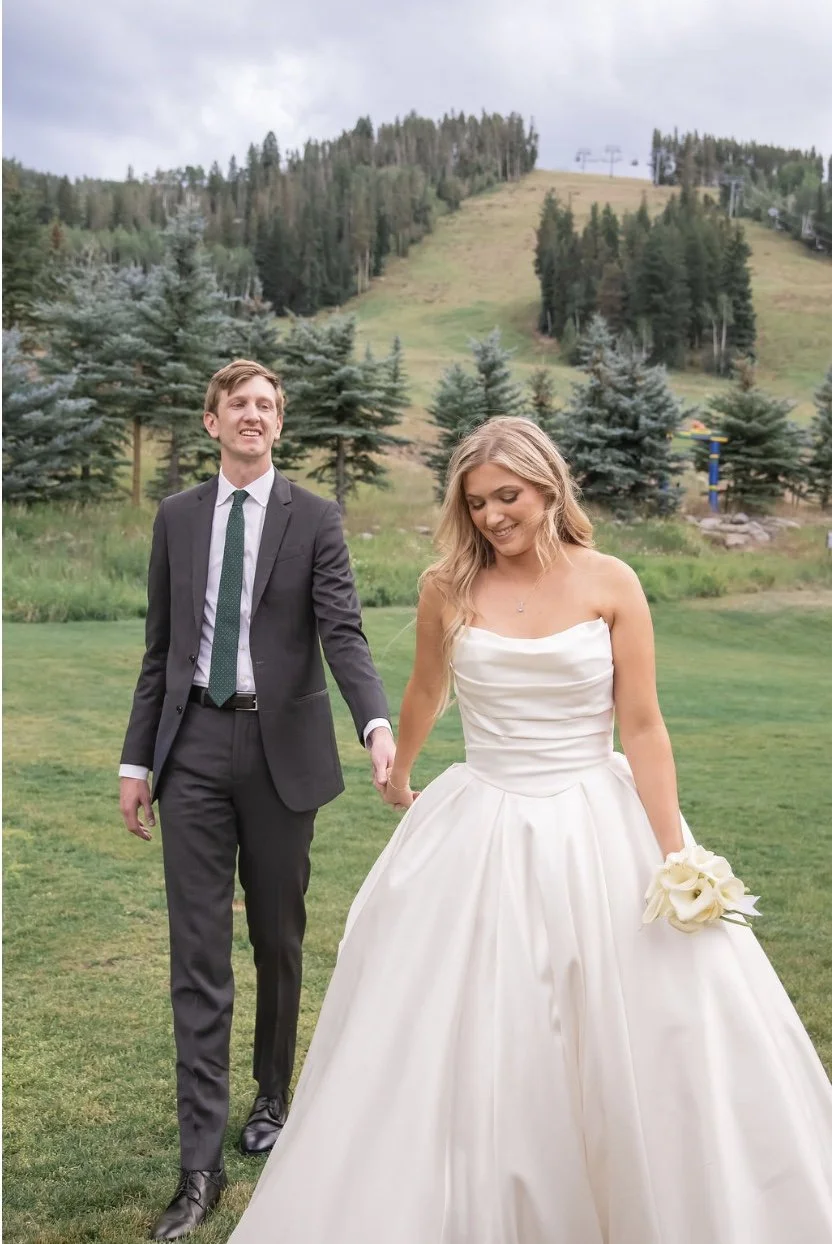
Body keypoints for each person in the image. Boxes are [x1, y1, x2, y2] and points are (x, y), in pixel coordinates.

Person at [228, 415, 832, 1244]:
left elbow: (645, 727)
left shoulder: (611, 582)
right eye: (476, 503)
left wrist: (675, 852)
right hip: (484, 820)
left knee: (641, 1026)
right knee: (468, 1022)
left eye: (506, 496)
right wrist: (400, 767)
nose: (492, 517)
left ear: (548, 486)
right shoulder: (447, 586)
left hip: (596, 821)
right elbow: (426, 692)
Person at [118, 359, 395, 1241]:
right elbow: (160, 649)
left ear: (280, 425)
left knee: (276, 936)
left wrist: (377, 725)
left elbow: (342, 630)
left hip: (282, 758)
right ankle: (198, 1168)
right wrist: (136, 762)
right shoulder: (177, 517)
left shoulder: (312, 517)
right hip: (192, 748)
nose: (254, 416)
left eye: (268, 406)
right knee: (197, 956)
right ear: (211, 423)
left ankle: (273, 1098)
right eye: (239, 404)